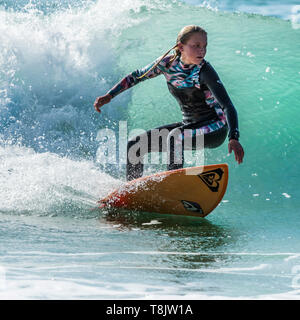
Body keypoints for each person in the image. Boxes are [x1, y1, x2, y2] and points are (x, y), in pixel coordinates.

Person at [94, 25, 244, 181]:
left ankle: (174, 185)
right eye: (196, 46)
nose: (202, 51)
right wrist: (110, 95)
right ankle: (132, 191)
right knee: (135, 145)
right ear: (181, 47)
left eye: (205, 46)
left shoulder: (205, 71)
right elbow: (136, 76)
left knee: (175, 137)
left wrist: (234, 137)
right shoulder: (167, 64)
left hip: (215, 128)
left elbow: (227, 105)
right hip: (189, 127)